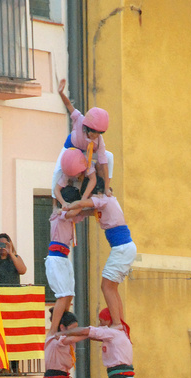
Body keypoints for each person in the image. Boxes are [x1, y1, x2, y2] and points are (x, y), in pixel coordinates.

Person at [65, 192, 136, 327]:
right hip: (124, 248)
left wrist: (65, 206)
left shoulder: (104, 199)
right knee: (112, 288)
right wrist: (72, 215)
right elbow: (86, 211)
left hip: (121, 248)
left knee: (106, 286)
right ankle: (119, 321)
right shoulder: (105, 205)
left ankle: (116, 323)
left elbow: (81, 204)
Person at [55, 79, 111, 203]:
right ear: (86, 127)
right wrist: (61, 93)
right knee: (58, 170)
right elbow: (69, 106)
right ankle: (55, 203)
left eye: (99, 133)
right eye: (93, 132)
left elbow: (104, 162)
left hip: (85, 152)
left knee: (109, 157)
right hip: (71, 147)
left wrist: (107, 187)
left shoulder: (99, 141)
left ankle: (102, 189)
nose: (95, 136)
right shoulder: (79, 119)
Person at [45, 178, 83, 330]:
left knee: (69, 296)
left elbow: (82, 212)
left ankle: (62, 320)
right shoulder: (60, 213)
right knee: (62, 295)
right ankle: (53, 330)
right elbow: (76, 210)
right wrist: (83, 200)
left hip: (64, 258)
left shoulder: (69, 215)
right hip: (56, 258)